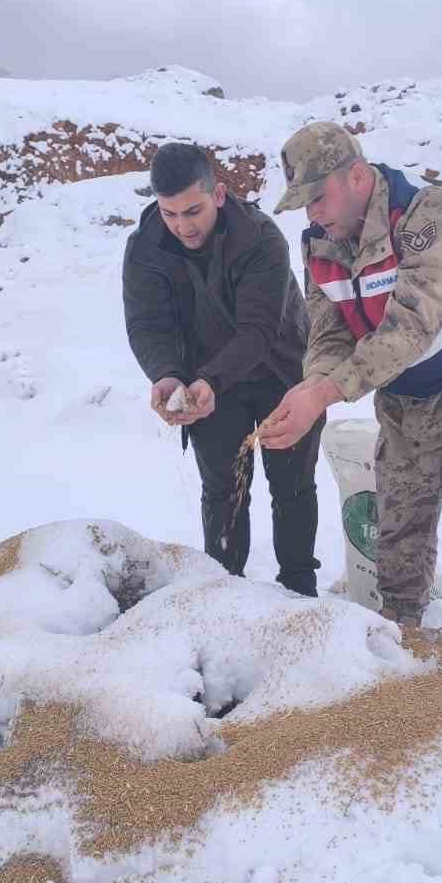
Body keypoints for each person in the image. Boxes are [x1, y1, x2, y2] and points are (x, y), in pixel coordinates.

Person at [259, 122, 442, 660]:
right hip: (409, 401)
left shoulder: (430, 213)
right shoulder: (320, 243)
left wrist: (326, 393)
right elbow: (328, 333)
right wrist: (310, 386)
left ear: (356, 177)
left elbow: (413, 325)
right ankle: (401, 648)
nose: (313, 215)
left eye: (318, 198)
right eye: (303, 205)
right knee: (396, 532)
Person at [121, 142, 323, 596]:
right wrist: (166, 374)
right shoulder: (146, 248)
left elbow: (258, 330)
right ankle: (223, 590)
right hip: (204, 381)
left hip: (281, 371)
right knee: (223, 489)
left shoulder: (261, 238)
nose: (182, 226)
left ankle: (300, 588)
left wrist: (211, 379)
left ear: (218, 194)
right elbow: (146, 323)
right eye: (169, 214)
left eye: (192, 211)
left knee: (292, 485)